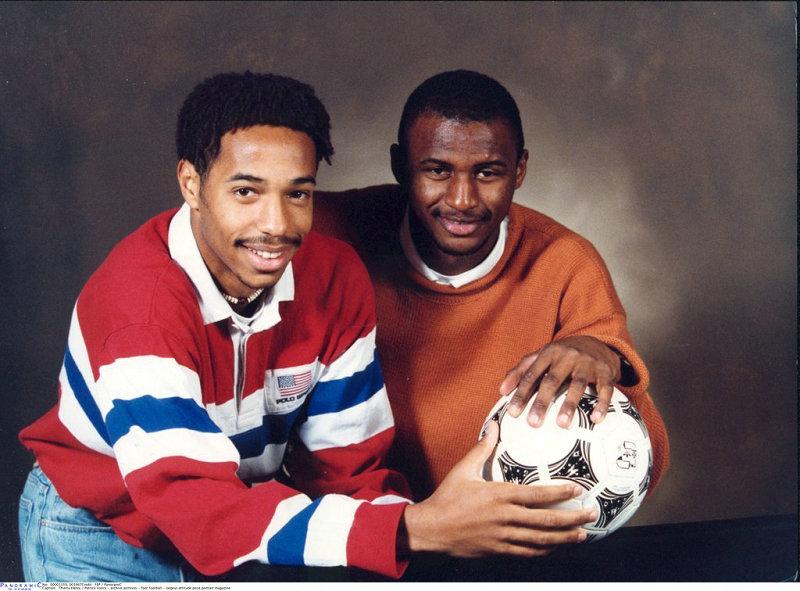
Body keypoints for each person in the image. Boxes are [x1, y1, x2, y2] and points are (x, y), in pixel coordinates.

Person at [18, 71, 597, 583]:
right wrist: (416, 528)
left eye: (298, 193)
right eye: (246, 191)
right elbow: (195, 506)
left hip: (248, 524)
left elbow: (347, 472)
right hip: (99, 534)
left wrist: (430, 533)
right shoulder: (139, 305)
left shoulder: (333, 275)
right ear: (191, 184)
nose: (276, 224)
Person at [313, 70, 670, 502]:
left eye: (487, 173)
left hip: (499, 533)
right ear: (400, 166)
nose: (462, 199)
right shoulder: (327, 232)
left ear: (519, 170)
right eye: (437, 170)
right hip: (355, 523)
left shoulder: (563, 261)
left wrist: (602, 353)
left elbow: (644, 453)